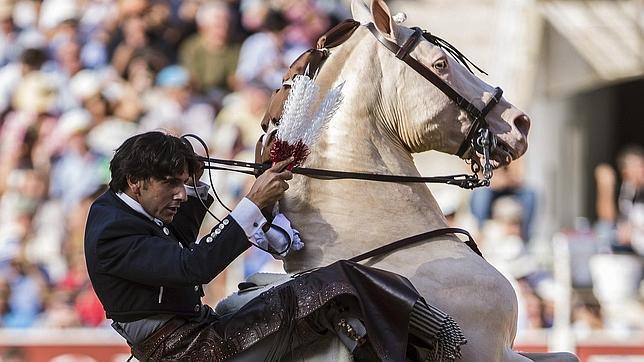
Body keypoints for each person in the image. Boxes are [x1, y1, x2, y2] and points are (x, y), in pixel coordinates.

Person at [84, 131, 295, 347]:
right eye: (170, 183)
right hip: (178, 345)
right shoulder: (112, 230)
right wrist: (253, 203)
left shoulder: (127, 207)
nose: (182, 194)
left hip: (189, 329)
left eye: (183, 183)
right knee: (302, 302)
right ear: (135, 181)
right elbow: (191, 266)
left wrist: (194, 182)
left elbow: (178, 242)